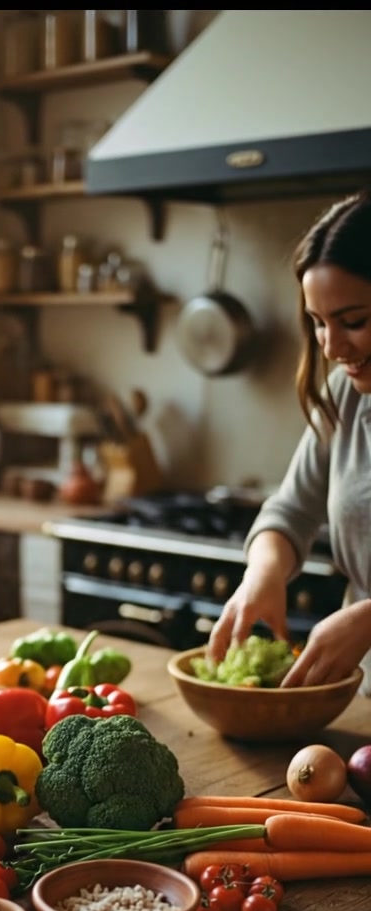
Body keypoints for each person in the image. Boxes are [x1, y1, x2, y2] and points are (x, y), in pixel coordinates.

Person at [206, 190, 371, 695]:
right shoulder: (345, 394)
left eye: (354, 321)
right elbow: (291, 510)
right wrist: (264, 572)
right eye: (318, 323)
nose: (332, 347)